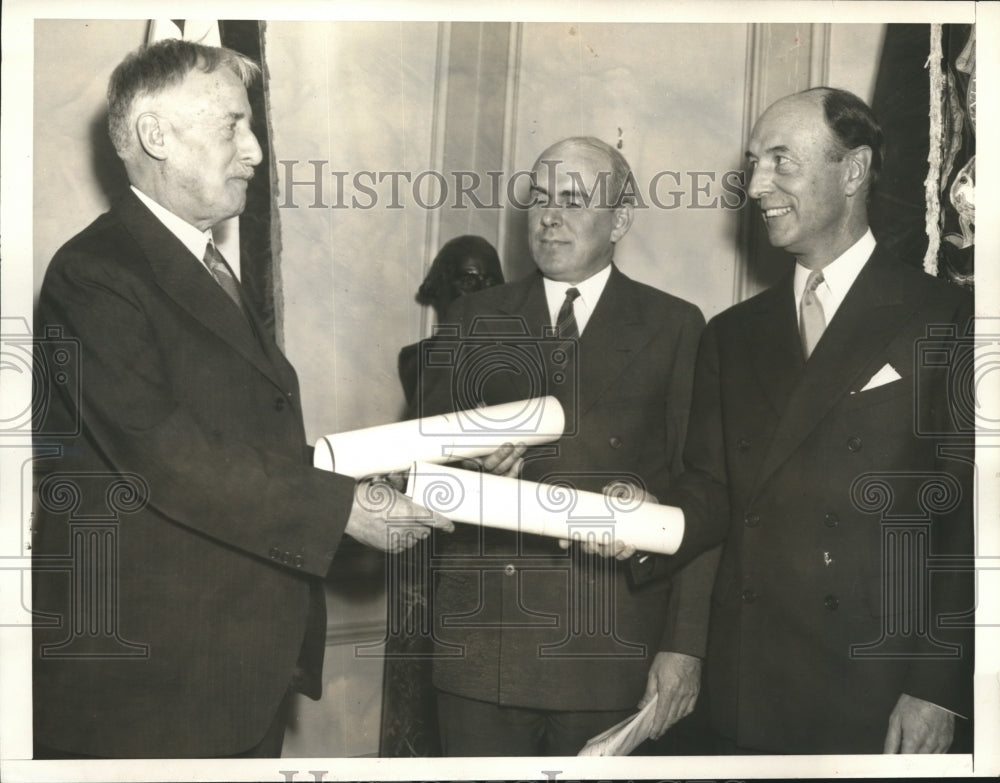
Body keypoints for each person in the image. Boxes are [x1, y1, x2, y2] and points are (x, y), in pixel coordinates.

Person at [31, 39, 450, 759]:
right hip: (155, 692)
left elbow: (248, 444)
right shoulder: (96, 273)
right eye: (233, 125)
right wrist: (342, 508)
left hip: (234, 674)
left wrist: (371, 483)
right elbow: (168, 456)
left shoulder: (198, 263)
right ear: (155, 136)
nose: (256, 151)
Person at [659, 88, 974, 754]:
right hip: (748, 682)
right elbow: (710, 493)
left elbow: (967, 521)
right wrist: (636, 521)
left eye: (780, 160)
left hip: (877, 685)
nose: (756, 184)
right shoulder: (731, 334)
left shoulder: (947, 317)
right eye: (752, 162)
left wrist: (940, 685)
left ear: (854, 171)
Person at [417, 136, 721, 756]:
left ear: (622, 219)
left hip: (610, 650)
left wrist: (684, 645)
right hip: (483, 647)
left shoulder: (675, 325)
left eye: (575, 200)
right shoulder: (474, 318)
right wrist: (465, 462)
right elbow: (417, 467)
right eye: (541, 199)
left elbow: (704, 493)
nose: (550, 215)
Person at [397, 235, 504, 409]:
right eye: (468, 282)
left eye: (492, 283)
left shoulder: (519, 356)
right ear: (439, 288)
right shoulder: (416, 360)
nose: (483, 293)